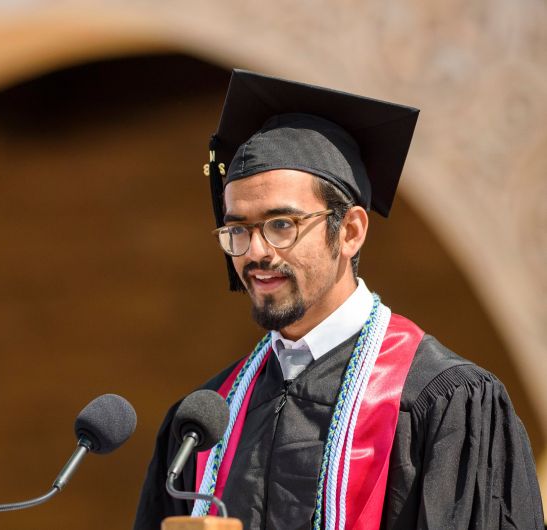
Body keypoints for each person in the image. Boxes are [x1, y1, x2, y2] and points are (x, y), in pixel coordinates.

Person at [133, 70, 543, 530]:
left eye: (281, 225)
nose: (256, 252)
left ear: (349, 231)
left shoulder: (442, 401)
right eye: (238, 230)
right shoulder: (205, 420)